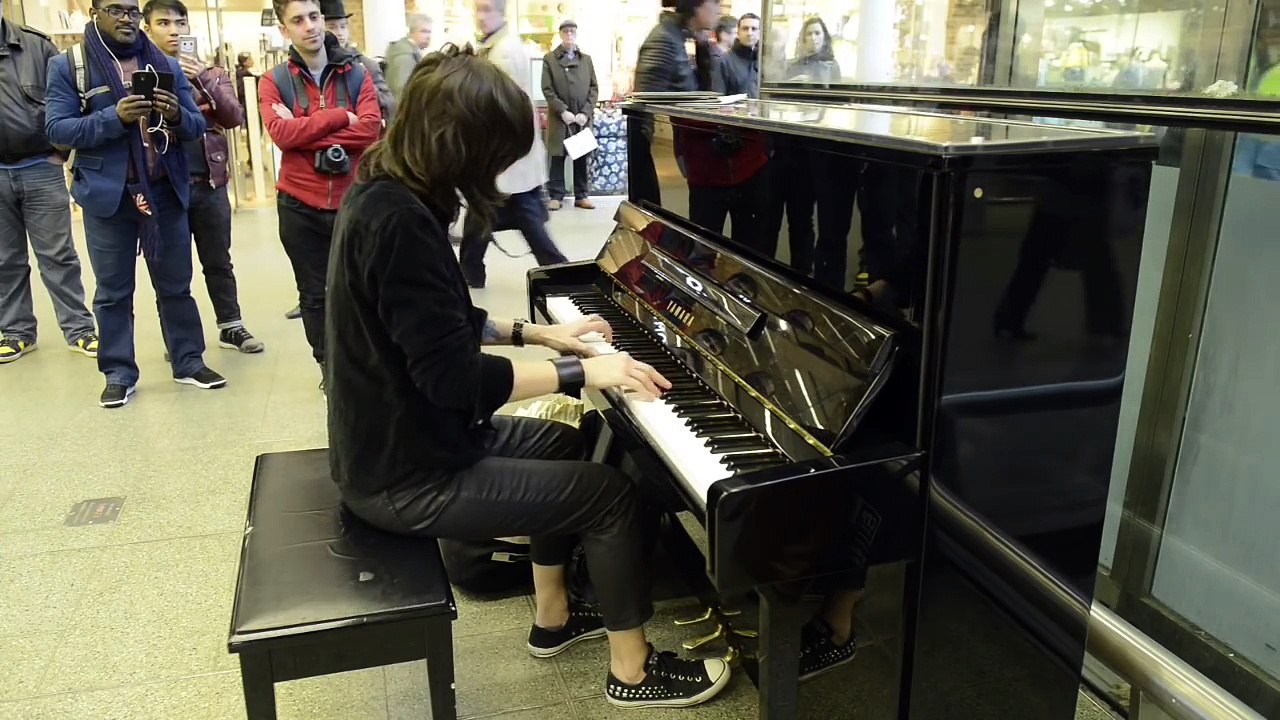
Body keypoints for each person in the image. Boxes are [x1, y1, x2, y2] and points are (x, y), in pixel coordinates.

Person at [328, 44, 732, 710]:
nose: (502, 168)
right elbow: (454, 380)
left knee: (572, 445)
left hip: (410, 438)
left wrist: (533, 332)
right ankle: (632, 673)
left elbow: (435, 320)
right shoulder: (400, 221)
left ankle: (554, 616)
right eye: (496, 151)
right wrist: (580, 369)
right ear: (462, 143)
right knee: (609, 497)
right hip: (404, 472)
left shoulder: (387, 186)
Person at [46, 0, 226, 408]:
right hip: (109, 196)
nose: (126, 18)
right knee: (112, 291)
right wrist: (114, 118)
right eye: (115, 9)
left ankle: (188, 361)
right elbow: (57, 129)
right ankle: (118, 372)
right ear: (96, 13)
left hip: (165, 191)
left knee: (177, 285)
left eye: (131, 10)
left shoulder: (163, 62)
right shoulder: (69, 66)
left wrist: (178, 114)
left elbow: (198, 126)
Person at [259, 0, 381, 387]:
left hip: (353, 202)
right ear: (284, 30)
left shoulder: (356, 73)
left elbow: (370, 131)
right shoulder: (273, 80)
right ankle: (329, 368)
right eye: (298, 20)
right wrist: (338, 117)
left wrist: (306, 127)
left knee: (363, 290)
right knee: (314, 295)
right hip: (299, 206)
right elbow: (281, 135)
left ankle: (368, 362)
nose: (310, 26)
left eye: (314, 17)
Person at [142, 0, 264, 354]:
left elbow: (233, 116)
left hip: (208, 181)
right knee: (168, 268)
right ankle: (179, 338)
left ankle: (231, 325)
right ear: (147, 29)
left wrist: (200, 79)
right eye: (163, 23)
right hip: (164, 185)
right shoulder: (140, 74)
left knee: (218, 260)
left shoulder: (212, 72)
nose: (173, 31)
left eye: (179, 23)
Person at [0, 12, 99, 364]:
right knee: (5, 260)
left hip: (40, 167)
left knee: (58, 255)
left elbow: (67, 99)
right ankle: (15, 331)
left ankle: (79, 329)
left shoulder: (35, 44)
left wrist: (61, 152)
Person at [460, 0, 567, 290]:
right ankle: (470, 272)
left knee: (522, 218)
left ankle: (561, 272)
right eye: (477, 10)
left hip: (508, 157)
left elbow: (498, 108)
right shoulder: (495, 48)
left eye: (486, 10)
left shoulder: (504, 53)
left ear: (501, 12)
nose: (480, 17)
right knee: (481, 216)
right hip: (507, 157)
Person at [541, 19, 598, 212]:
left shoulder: (586, 60)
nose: (569, 34)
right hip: (560, 118)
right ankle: (556, 195)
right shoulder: (550, 59)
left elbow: (593, 88)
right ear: (560, 34)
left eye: (572, 31)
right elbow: (547, 89)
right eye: (565, 31)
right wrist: (562, 110)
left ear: (576, 34)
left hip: (581, 119)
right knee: (557, 157)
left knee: (581, 156)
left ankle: (582, 195)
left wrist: (585, 112)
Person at [321, 0, 395, 121]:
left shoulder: (365, 64)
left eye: (343, 26)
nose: (340, 33)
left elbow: (389, 104)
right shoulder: (315, 66)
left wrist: (366, 84)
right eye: (332, 27)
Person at [635, 0, 721, 94]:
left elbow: (703, 94)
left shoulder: (678, 35)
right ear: (696, 5)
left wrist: (703, 49)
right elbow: (646, 101)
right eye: (715, 2)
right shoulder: (664, 40)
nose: (718, 10)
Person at [383, 13, 431, 99]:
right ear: (411, 32)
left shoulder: (411, 52)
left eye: (429, 32)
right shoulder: (404, 56)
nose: (428, 36)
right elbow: (402, 91)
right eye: (423, 31)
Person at [713, 12, 760, 98]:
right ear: (738, 32)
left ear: (760, 33)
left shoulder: (764, 62)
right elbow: (718, 99)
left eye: (754, 29)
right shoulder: (723, 62)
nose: (749, 33)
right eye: (745, 29)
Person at [788, 16, 841, 84]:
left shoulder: (832, 66)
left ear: (824, 38)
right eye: (809, 34)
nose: (813, 38)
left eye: (817, 33)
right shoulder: (794, 66)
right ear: (804, 38)